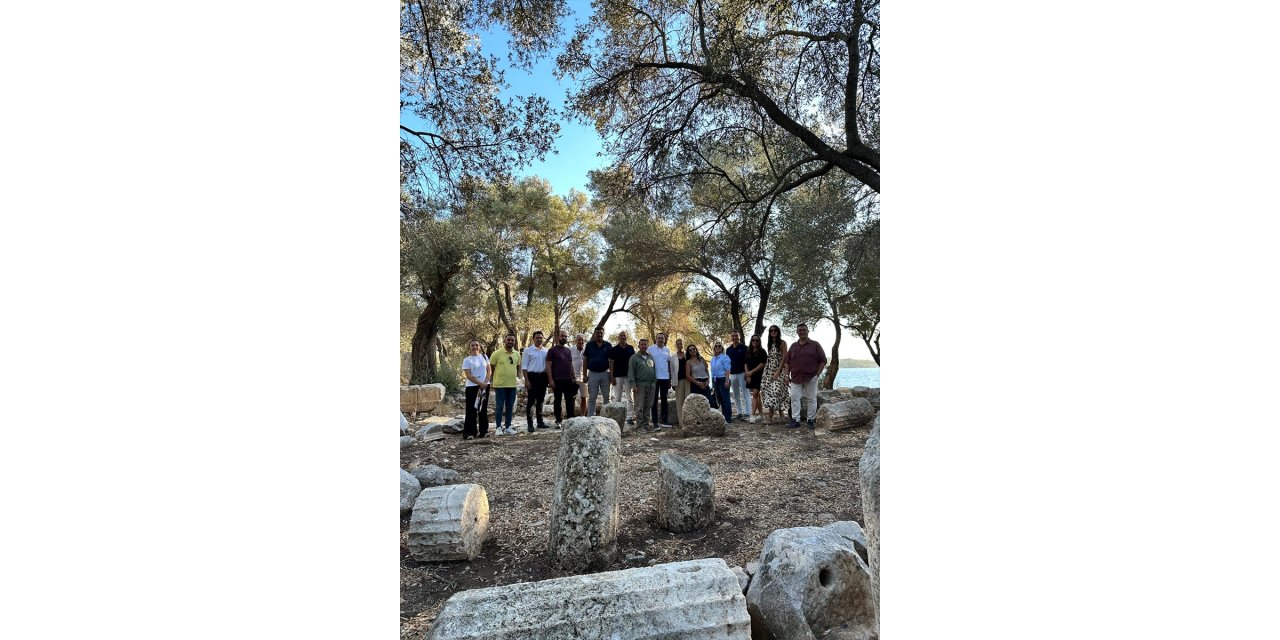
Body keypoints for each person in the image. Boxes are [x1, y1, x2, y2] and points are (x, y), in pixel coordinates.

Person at [782, 323, 828, 430]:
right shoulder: (793, 346)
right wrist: (786, 375)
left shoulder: (815, 345)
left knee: (811, 399)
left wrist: (817, 374)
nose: (802, 332)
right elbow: (787, 362)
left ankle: (810, 420)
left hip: (811, 377)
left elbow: (823, 360)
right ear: (797, 332)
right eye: (800, 330)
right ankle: (795, 420)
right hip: (795, 377)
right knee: (794, 398)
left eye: (804, 330)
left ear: (808, 331)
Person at [489, 335, 521, 436]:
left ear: (514, 342)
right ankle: (498, 428)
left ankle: (508, 427)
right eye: (508, 340)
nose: (510, 342)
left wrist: (519, 379)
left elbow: (518, 367)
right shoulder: (497, 353)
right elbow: (491, 367)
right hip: (500, 385)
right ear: (504, 341)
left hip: (512, 385)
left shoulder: (517, 354)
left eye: (512, 340)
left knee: (509, 407)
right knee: (499, 406)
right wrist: (491, 381)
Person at [460, 340, 491, 440]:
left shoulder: (485, 357)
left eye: (477, 345)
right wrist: (480, 383)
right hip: (472, 387)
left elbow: (489, 370)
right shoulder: (467, 360)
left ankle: (484, 431)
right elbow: (469, 375)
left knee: (483, 409)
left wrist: (485, 382)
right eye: (473, 345)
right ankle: (470, 433)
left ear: (480, 346)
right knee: (471, 409)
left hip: (485, 386)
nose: (475, 347)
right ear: (470, 347)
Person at [546, 330, 578, 428]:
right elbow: (548, 365)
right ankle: (558, 421)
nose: (564, 338)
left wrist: (573, 378)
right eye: (562, 336)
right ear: (558, 337)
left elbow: (570, 364)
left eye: (565, 336)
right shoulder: (552, 350)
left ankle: (571, 420)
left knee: (569, 401)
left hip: (568, 380)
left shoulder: (568, 350)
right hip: (557, 380)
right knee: (557, 401)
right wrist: (550, 380)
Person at [520, 330, 549, 432]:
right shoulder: (528, 351)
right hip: (532, 377)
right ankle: (530, 424)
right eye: (537, 338)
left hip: (543, 377)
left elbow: (548, 366)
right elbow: (524, 367)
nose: (539, 339)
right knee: (531, 401)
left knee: (541, 401)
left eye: (541, 337)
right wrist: (526, 380)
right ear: (533, 339)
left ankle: (540, 422)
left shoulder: (546, 351)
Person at [628, 338, 658, 432]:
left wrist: (654, 381)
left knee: (648, 405)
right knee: (639, 406)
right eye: (642, 344)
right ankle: (639, 425)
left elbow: (653, 369)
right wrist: (634, 385)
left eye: (645, 344)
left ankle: (646, 424)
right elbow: (631, 372)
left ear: (647, 346)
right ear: (639, 346)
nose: (644, 346)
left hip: (651, 385)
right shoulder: (634, 358)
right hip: (640, 385)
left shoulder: (650, 357)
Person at [762, 325, 789, 424]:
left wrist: (779, 372)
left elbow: (784, 358)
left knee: (775, 392)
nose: (773, 332)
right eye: (771, 331)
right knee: (771, 392)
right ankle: (782, 416)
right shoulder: (770, 344)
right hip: (769, 372)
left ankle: (769, 418)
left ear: (778, 331)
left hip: (779, 372)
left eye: (775, 330)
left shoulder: (782, 343)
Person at [583, 327, 612, 417]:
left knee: (607, 398)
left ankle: (606, 417)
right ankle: (591, 417)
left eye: (601, 333)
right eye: (597, 333)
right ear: (594, 334)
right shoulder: (589, 345)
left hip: (605, 374)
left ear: (603, 334)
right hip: (592, 374)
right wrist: (584, 375)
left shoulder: (608, 345)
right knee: (592, 398)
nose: (599, 334)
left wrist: (611, 375)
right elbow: (585, 360)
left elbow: (611, 361)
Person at [607, 331, 635, 423]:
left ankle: (630, 417)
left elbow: (633, 363)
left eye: (624, 336)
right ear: (618, 338)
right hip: (617, 377)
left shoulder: (631, 348)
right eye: (621, 336)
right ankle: (618, 417)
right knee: (617, 398)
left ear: (626, 337)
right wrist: (612, 377)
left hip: (628, 377)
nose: (623, 337)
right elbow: (611, 363)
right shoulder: (614, 349)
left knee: (629, 398)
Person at [649, 332, 675, 428]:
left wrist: (670, 379)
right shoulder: (650, 349)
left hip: (665, 378)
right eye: (659, 338)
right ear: (656, 339)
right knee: (654, 400)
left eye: (662, 338)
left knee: (665, 400)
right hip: (654, 378)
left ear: (664, 340)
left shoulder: (667, 350)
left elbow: (669, 365)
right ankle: (655, 421)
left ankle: (665, 420)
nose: (660, 339)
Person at [726, 331, 749, 421]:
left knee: (745, 393)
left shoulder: (744, 348)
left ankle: (747, 413)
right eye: (733, 336)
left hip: (742, 373)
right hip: (732, 374)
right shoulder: (728, 349)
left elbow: (747, 361)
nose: (735, 337)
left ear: (739, 337)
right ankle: (739, 412)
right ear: (731, 337)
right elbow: (727, 364)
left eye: (736, 336)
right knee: (736, 395)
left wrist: (747, 373)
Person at [745, 334, 767, 420]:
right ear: (751, 341)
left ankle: (752, 415)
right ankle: (761, 414)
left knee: (754, 394)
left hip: (759, 375)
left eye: (757, 340)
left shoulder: (762, 351)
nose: (755, 342)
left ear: (759, 341)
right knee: (757, 395)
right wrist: (747, 374)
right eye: (753, 340)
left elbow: (762, 364)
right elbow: (745, 363)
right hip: (750, 375)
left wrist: (752, 372)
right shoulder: (748, 351)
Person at [709, 341, 733, 422]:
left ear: (722, 348)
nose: (718, 347)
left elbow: (727, 370)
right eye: (716, 346)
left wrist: (727, 380)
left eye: (719, 346)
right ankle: (724, 417)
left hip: (723, 379)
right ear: (714, 348)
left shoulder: (725, 357)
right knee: (719, 399)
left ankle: (728, 418)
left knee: (725, 399)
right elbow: (712, 371)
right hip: (715, 380)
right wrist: (712, 382)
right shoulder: (713, 359)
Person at [571, 333, 587, 416]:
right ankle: (572, 416)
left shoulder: (587, 350)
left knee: (584, 397)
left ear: (584, 341)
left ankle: (582, 416)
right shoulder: (571, 350)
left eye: (582, 340)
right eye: (579, 340)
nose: (580, 341)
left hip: (584, 377)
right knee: (572, 397)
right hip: (573, 377)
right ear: (575, 341)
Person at [674, 338, 688, 426]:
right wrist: (672, 382)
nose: (680, 345)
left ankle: (688, 421)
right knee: (679, 402)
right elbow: (672, 370)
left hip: (688, 381)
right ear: (676, 345)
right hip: (678, 381)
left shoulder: (687, 355)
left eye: (681, 344)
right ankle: (681, 423)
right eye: (678, 344)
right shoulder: (673, 356)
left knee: (688, 401)